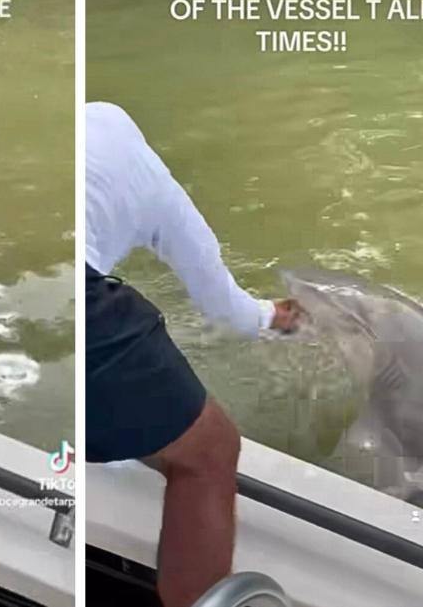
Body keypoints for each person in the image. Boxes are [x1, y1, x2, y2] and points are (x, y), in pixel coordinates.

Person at [85, 102, 299, 607]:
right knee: (211, 450)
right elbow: (223, 304)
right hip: (87, 297)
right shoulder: (152, 179)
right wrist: (275, 317)